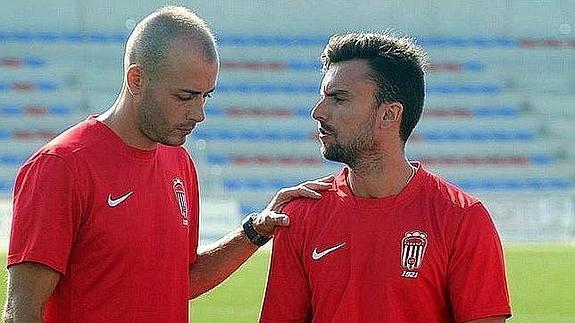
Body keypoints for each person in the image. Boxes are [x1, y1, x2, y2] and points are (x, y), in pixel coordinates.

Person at [2, 6, 332, 323]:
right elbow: (22, 309)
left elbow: (181, 280)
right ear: (136, 80)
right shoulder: (61, 167)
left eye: (206, 96)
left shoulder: (179, 163)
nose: (198, 114)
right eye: (185, 97)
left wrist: (254, 231)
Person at [259, 32, 512, 323]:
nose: (318, 112)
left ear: (389, 115)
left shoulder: (462, 218)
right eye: (323, 98)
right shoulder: (301, 215)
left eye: (338, 99)